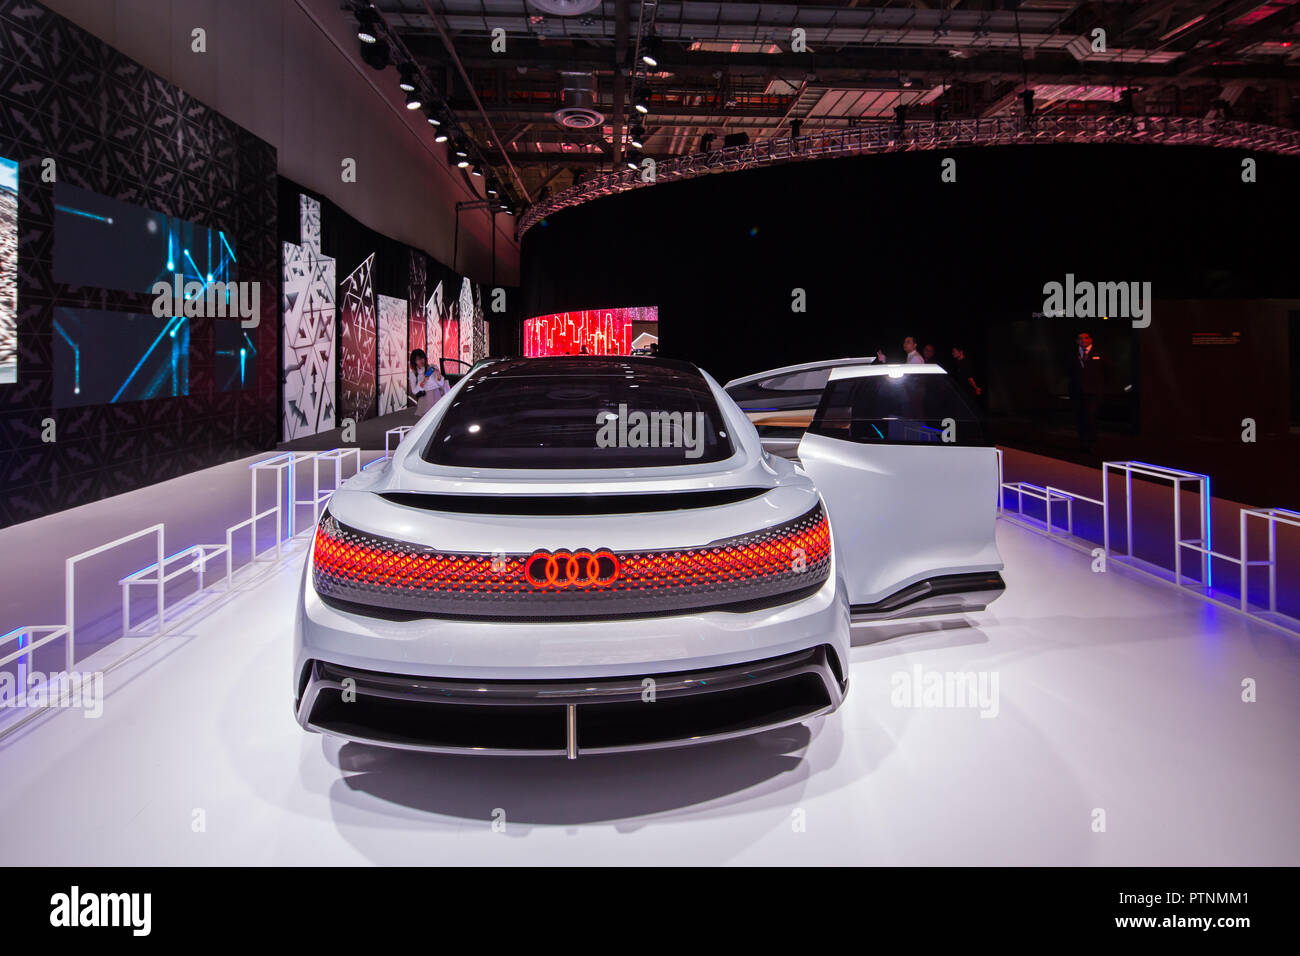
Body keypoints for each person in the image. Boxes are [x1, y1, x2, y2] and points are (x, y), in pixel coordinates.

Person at [1067, 331, 1108, 453]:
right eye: (1080, 338)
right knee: (1080, 418)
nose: (1083, 340)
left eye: (1086, 338)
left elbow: (1108, 371)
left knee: (1091, 417)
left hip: (1094, 393)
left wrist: (1101, 387)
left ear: (1090, 339)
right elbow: (1068, 371)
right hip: (1077, 392)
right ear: (1077, 341)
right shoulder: (1072, 354)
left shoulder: (1099, 353)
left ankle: (1093, 443)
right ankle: (1083, 443)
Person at [408, 349, 449, 417]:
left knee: (438, 416)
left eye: (422, 358)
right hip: (424, 397)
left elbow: (441, 384)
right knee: (426, 419)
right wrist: (423, 381)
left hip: (436, 394)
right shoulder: (413, 373)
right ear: (414, 361)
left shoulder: (432, 367)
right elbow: (414, 391)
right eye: (418, 359)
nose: (421, 360)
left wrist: (438, 374)